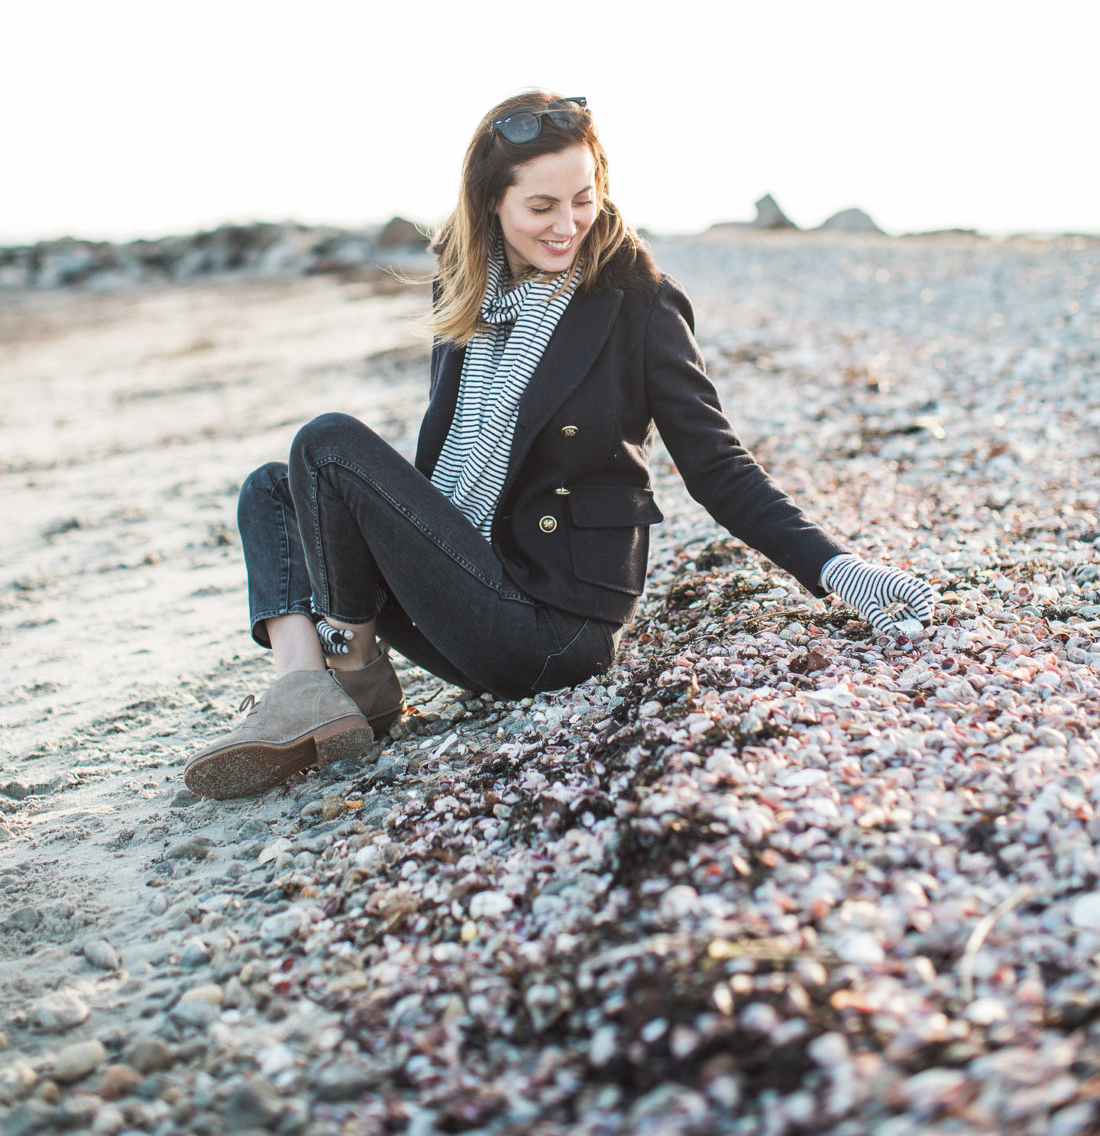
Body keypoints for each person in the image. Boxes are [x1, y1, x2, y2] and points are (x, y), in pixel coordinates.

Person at [184, 92, 934, 800]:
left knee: (326, 444)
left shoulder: (636, 305)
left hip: (548, 627)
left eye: (583, 199)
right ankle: (312, 689)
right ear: (491, 204)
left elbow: (718, 469)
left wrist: (841, 571)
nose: (566, 224)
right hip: (467, 585)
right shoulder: (464, 288)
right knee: (272, 488)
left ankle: (342, 676)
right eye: (541, 206)